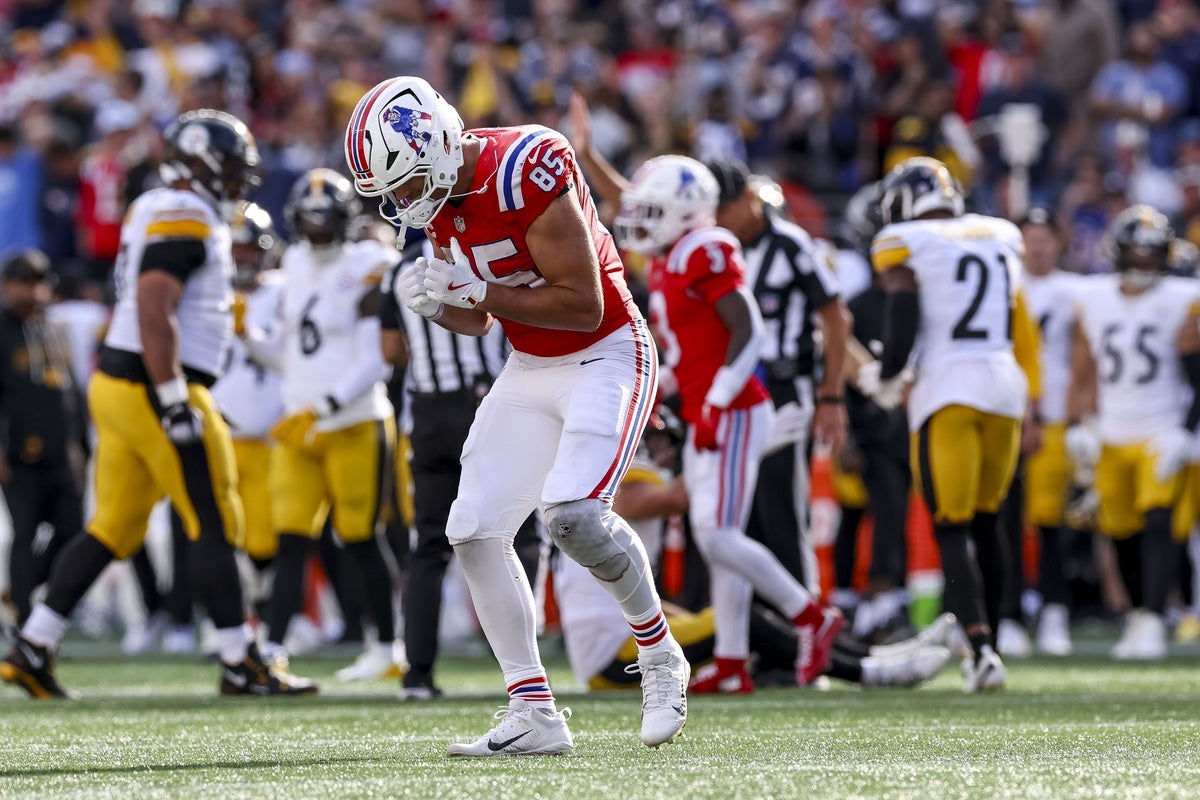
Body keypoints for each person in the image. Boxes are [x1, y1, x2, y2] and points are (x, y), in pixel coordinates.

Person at [346, 75, 687, 755]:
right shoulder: (435, 202)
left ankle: (659, 654)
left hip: (606, 354)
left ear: (440, 147)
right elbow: (476, 322)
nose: (403, 201)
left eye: (409, 182)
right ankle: (533, 709)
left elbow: (582, 306)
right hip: (530, 367)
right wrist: (437, 304)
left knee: (574, 516)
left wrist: (478, 289)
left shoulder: (526, 165)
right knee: (471, 527)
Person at [1, 109, 314, 698]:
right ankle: (237, 659)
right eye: (228, 166)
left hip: (122, 384)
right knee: (215, 518)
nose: (236, 179)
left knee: (114, 525)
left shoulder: (158, 203)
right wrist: (173, 397)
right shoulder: (184, 211)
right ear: (199, 163)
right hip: (154, 385)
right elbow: (154, 306)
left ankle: (33, 644)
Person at [616, 155, 845, 695]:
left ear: (686, 210)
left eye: (653, 211)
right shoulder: (674, 257)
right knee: (717, 534)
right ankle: (734, 661)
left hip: (737, 407)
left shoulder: (705, 248)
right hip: (711, 406)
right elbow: (693, 351)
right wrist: (660, 391)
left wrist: (717, 400)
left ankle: (811, 617)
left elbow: (749, 334)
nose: (642, 223)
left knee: (717, 535)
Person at [553, 406, 953, 692]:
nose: (666, 452)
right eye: (658, 441)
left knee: (734, 618)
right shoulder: (619, 487)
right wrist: (749, 452)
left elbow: (632, 602)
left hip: (620, 647)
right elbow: (674, 499)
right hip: (615, 659)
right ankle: (871, 671)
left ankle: (869, 657)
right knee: (744, 622)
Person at [864, 156, 1042, 693]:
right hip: (1004, 387)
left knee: (950, 525)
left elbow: (904, 315)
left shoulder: (904, 239)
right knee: (989, 521)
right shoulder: (1001, 232)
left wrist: (888, 373)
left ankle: (982, 649)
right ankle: (992, 636)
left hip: (948, 389)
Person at [243, 168, 401, 684]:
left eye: (324, 217)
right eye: (308, 218)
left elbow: (380, 358)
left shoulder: (371, 264)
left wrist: (326, 404)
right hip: (299, 427)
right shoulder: (293, 261)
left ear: (345, 218)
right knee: (290, 539)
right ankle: (271, 645)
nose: (315, 228)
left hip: (355, 422)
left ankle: (385, 646)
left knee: (359, 537)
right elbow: (293, 354)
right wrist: (247, 333)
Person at [379, 235, 543, 701]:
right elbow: (502, 321)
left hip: (428, 412)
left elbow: (391, 350)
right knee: (519, 533)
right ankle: (519, 663)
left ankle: (418, 674)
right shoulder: (475, 253)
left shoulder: (398, 271)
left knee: (428, 547)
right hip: (483, 404)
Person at [705, 157, 851, 593]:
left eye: (725, 207)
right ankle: (758, 635)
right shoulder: (711, 247)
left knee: (782, 510)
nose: (719, 219)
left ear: (748, 199)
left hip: (786, 388)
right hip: (733, 390)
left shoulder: (790, 244)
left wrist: (831, 397)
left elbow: (836, 318)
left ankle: (804, 626)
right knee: (736, 518)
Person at [1066, 205, 1200, 660]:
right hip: (1111, 430)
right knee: (1119, 530)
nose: (1144, 261)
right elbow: (1083, 369)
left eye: (1152, 253)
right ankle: (1139, 612)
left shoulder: (1186, 296)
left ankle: (1151, 619)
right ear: (1119, 252)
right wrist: (1079, 422)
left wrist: (1185, 430)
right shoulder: (1093, 297)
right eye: (1137, 253)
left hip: (1161, 427)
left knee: (1159, 520)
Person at [1001, 208, 1082, 657]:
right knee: (1008, 521)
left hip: (1055, 419)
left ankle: (1055, 609)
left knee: (1053, 522)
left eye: (1043, 235)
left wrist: (1081, 416)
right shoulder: (1004, 282)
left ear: (1058, 241)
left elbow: (1087, 356)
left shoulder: (1076, 290)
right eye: (1028, 235)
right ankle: (1010, 613)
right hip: (1008, 416)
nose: (1036, 244)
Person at [0, 250, 86, 627]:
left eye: (40, 282)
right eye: (26, 281)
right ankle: (24, 619)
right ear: (8, 285)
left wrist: (81, 444)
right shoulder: (2, 328)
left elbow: (71, 392)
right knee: (26, 531)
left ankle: (21, 590)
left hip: (61, 451)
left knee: (74, 531)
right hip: (19, 452)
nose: (35, 290)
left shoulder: (52, 326)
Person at [212, 201, 285, 626]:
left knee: (267, 537)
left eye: (247, 250)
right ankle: (224, 621)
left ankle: (269, 616)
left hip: (271, 432)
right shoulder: (207, 292)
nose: (241, 259)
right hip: (221, 432)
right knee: (220, 533)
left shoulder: (285, 289)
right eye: (233, 250)